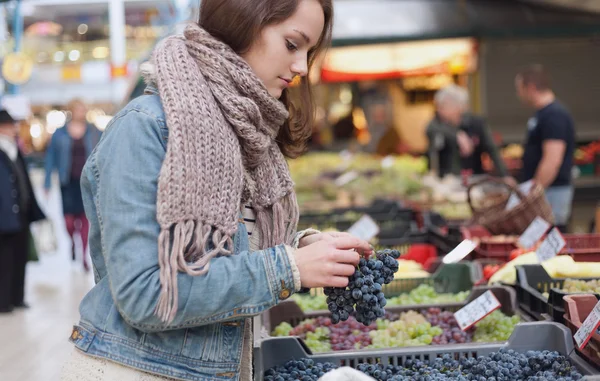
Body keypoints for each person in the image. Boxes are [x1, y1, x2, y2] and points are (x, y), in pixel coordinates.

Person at [60, 1, 372, 380]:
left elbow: (219, 246)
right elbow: (146, 294)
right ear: (244, 22)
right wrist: (287, 267)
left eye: (309, 52)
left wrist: (301, 247)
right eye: (293, 44)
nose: (302, 68)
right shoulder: (143, 129)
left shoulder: (245, 132)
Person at [515, 64, 575, 232]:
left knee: (550, 236)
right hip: (545, 193)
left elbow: (552, 160)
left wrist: (534, 194)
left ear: (531, 88)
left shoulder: (554, 115)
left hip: (552, 193)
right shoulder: (542, 114)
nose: (518, 94)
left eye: (520, 89)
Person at [44, 99, 101, 271]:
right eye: (77, 109)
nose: (80, 113)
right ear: (71, 111)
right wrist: (47, 182)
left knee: (85, 221)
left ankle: (83, 256)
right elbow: (51, 157)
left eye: (83, 109)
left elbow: (102, 152)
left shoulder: (93, 131)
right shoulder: (60, 133)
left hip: (87, 182)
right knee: (69, 222)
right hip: (67, 182)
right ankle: (72, 241)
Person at [0, 107, 46, 313]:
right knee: (5, 259)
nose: (13, 129)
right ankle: (4, 300)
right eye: (9, 125)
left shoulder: (14, 149)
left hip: (21, 213)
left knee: (20, 257)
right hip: (4, 214)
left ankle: (17, 297)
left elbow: (24, 180)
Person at [426, 85, 508, 180]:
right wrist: (456, 135)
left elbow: (492, 150)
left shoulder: (476, 123)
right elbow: (429, 128)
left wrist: (505, 175)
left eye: (443, 105)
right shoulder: (437, 123)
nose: (439, 110)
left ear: (459, 106)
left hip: (474, 177)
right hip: (447, 180)